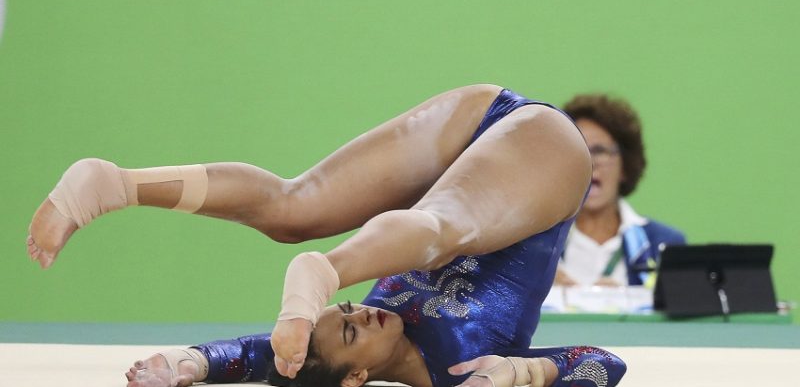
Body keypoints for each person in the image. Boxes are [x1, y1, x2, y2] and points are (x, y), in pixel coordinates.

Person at [26, 85, 627, 387]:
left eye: (345, 310)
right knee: (355, 217)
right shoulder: (460, 373)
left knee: (330, 212)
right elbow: (602, 364)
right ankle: (117, 184)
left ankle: (117, 185)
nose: (361, 317)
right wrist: (525, 374)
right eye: (348, 329)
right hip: (544, 156)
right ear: (356, 379)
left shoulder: (330, 347)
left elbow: (264, 355)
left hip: (477, 127)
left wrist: (189, 364)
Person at [553, 94, 686, 288]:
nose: (589, 163)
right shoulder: (536, 246)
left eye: (599, 151)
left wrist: (627, 304)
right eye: (578, 150)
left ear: (624, 167)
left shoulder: (664, 245)